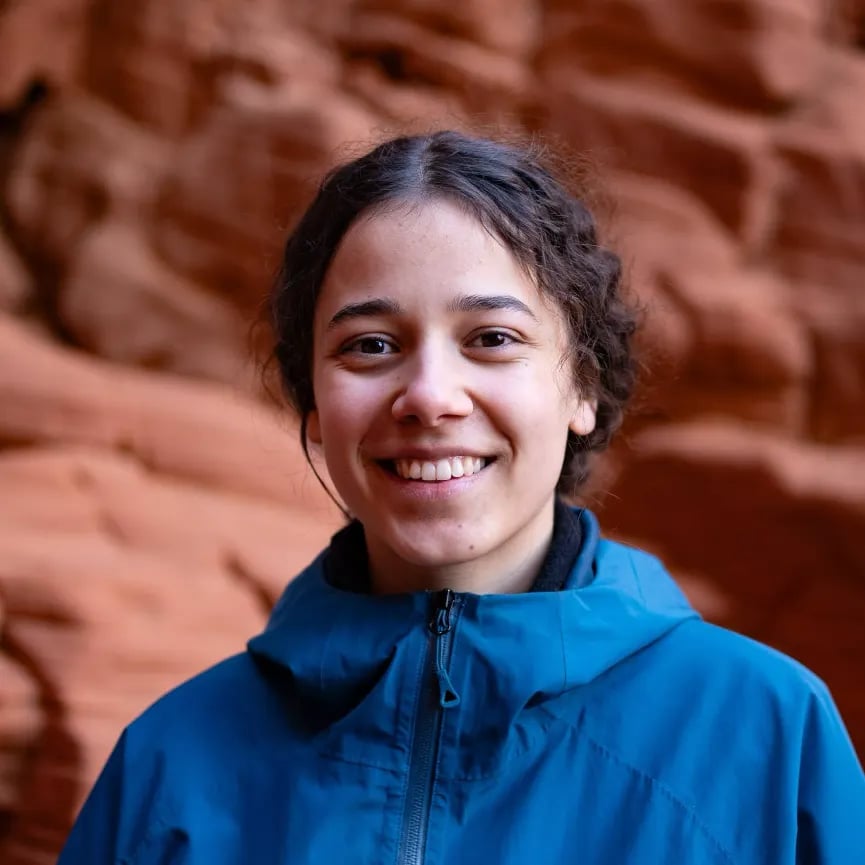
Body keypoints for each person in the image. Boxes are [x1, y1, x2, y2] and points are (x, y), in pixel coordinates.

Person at [58, 130, 864, 864]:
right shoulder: (172, 761)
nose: (430, 395)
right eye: (370, 346)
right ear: (314, 408)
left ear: (581, 383)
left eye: (491, 339)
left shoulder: (764, 731)